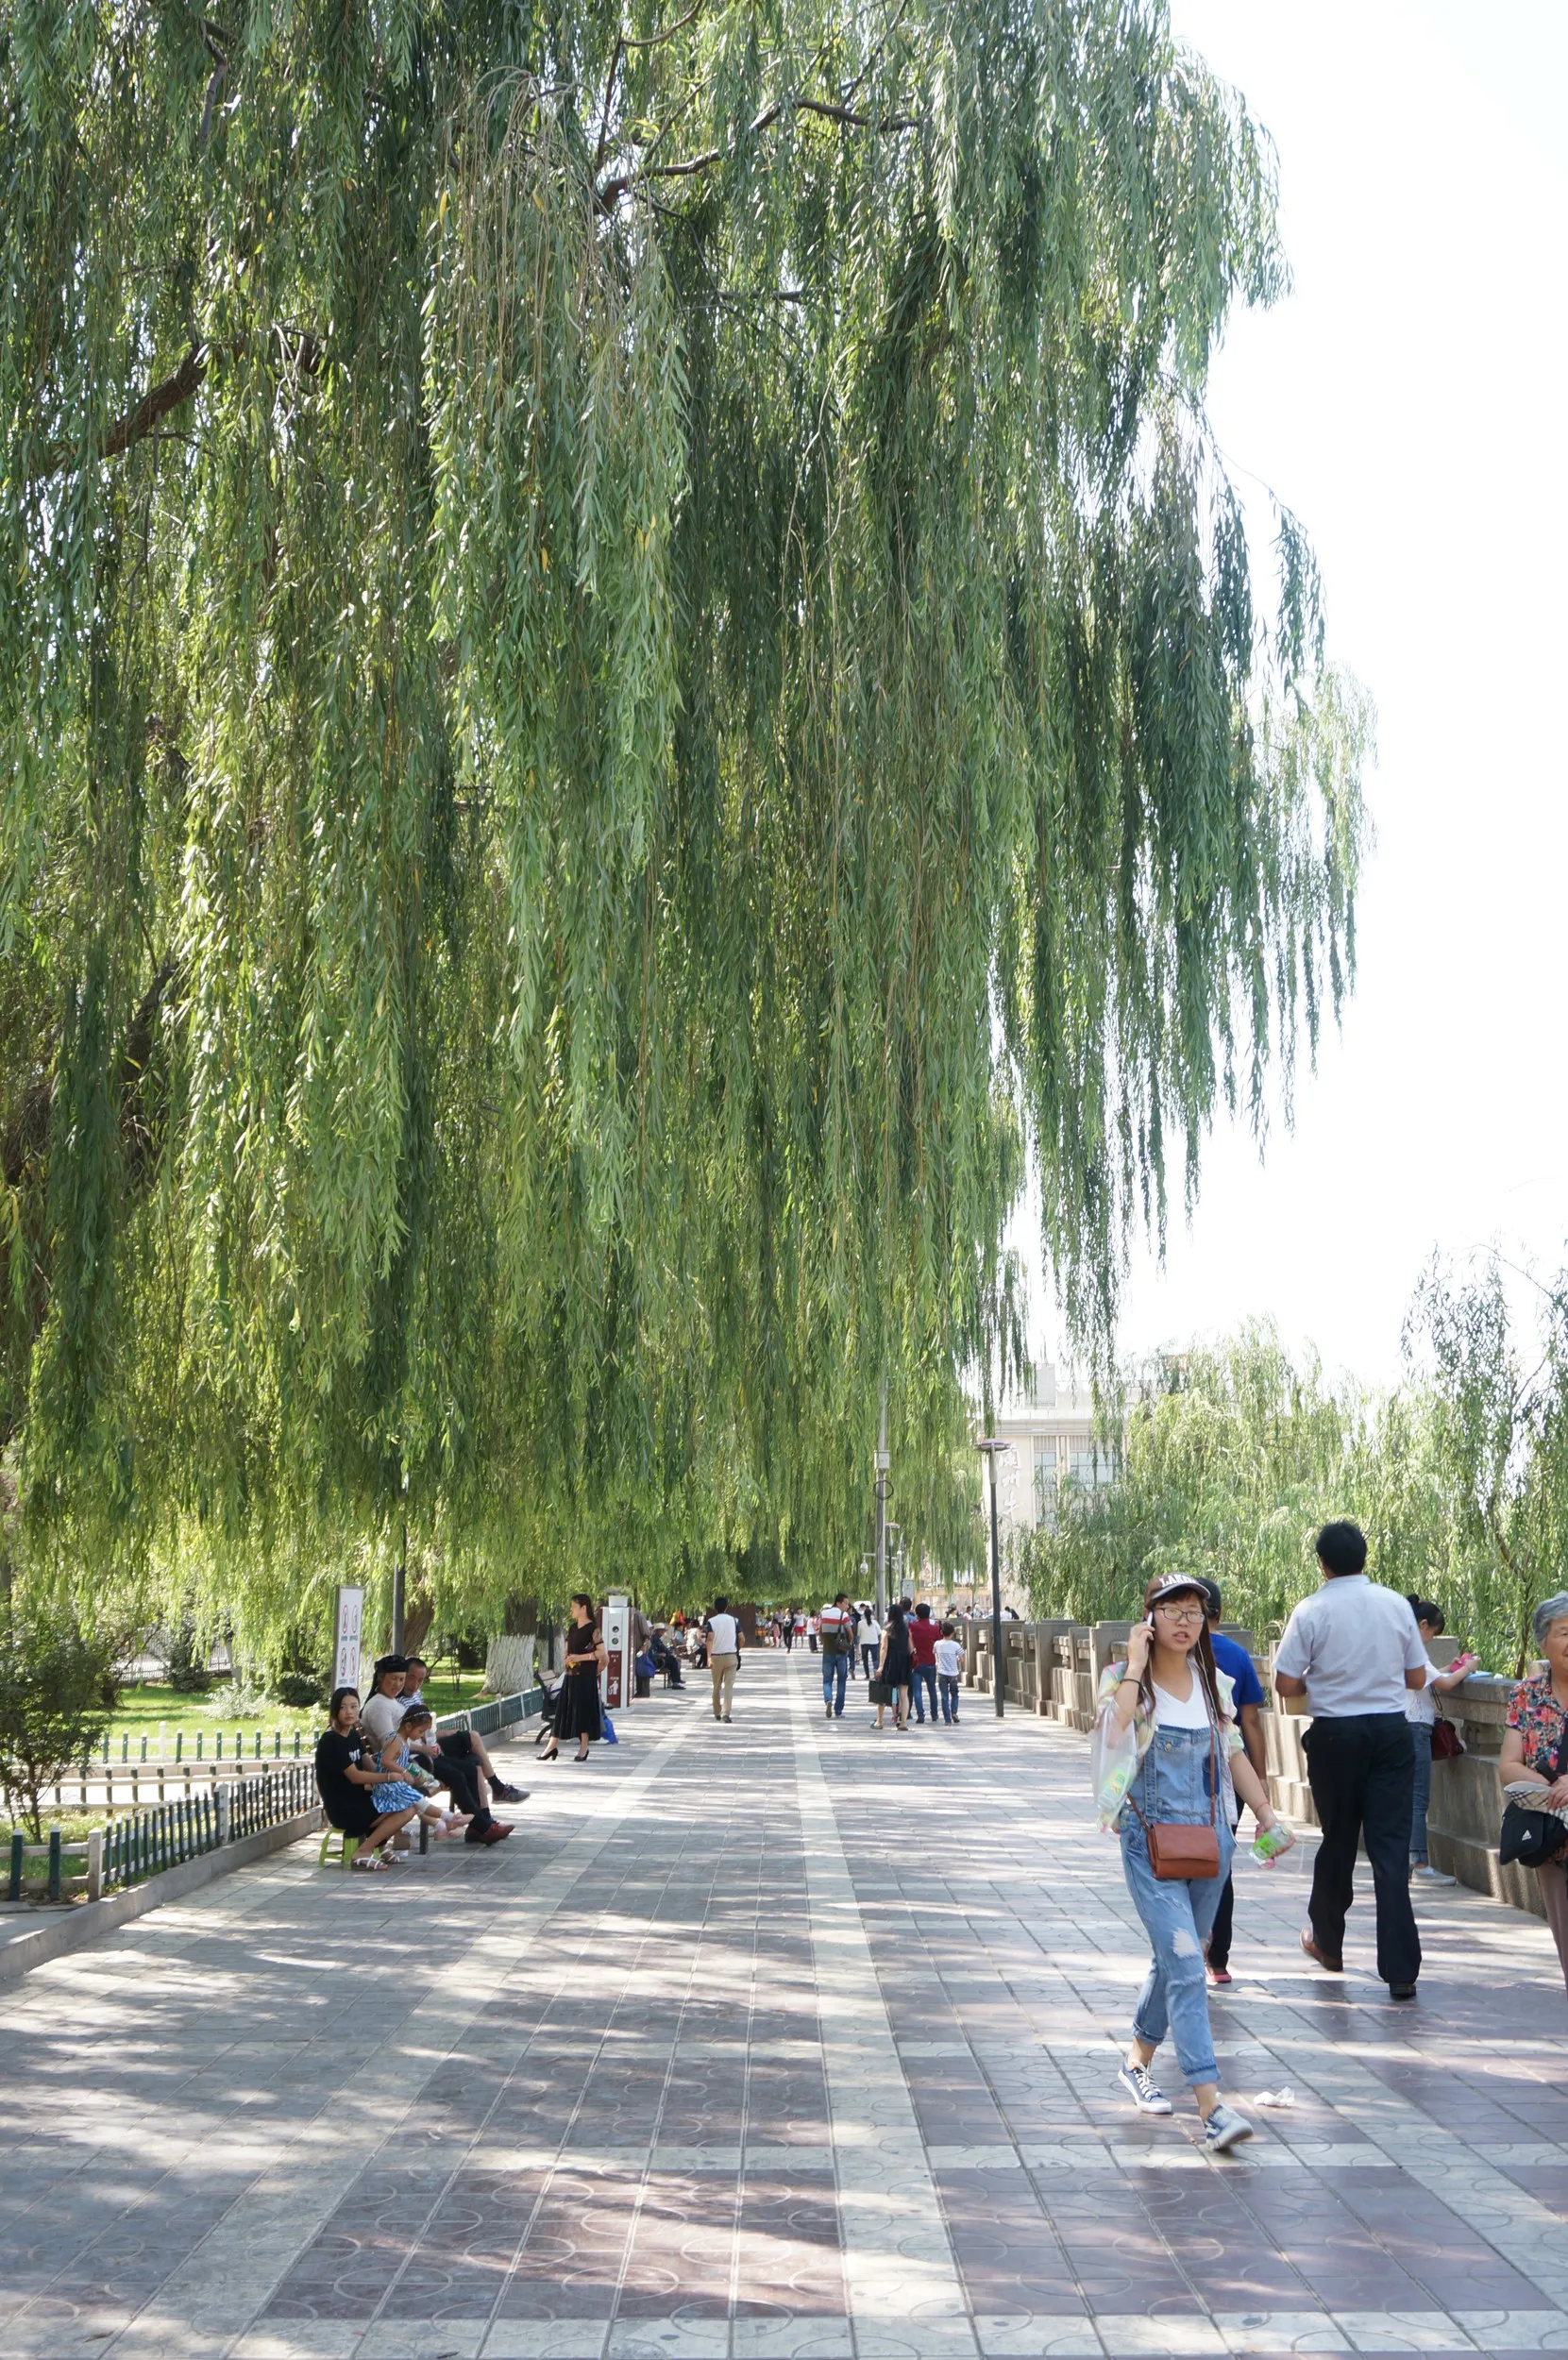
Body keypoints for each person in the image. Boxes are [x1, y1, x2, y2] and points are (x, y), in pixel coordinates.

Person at [1094, 1575, 1294, 2151]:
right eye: (1172, 1610)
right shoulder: (1124, 1680)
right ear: (1150, 1617)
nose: (1185, 1621)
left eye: (1195, 1612)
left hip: (1211, 1842)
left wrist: (1265, 1815)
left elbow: (1233, 1756)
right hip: (1148, 1839)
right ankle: (1212, 2108)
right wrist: (1135, 1660)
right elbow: (1115, 1728)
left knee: (1180, 1953)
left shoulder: (1214, 1684)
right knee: (1186, 1962)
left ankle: (1137, 2060)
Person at [1274, 1520, 1428, 1999]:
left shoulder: (1311, 1609)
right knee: (1389, 1847)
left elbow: (1284, 1684)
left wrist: (1316, 1685)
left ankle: (1328, 1943)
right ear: (1365, 1557)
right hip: (1390, 1733)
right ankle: (1401, 1970)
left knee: (1339, 1839)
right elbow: (1419, 1677)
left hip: (1336, 1737)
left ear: (1322, 1564)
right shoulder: (1395, 1605)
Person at [1196, 1580, 1268, 1987]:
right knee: (1220, 1858)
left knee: (1189, 1860)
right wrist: (1260, 1778)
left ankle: (1195, 1942)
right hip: (1229, 1773)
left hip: (1193, 1771)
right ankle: (1218, 1958)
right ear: (1220, 1614)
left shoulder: (1173, 1653)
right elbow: (1251, 1722)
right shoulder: (1237, 1656)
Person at [1499, 1592, 1568, 1991]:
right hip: (1552, 1838)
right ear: (1544, 1642)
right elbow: (1507, 1765)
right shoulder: (1526, 1695)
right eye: (1563, 1633)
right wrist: (1546, 1785)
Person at [365, 1657, 510, 1844]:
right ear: (380, 1678)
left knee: (469, 1767)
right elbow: (391, 1743)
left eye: (400, 1679)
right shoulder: (378, 1705)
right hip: (407, 1763)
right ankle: (483, 1827)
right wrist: (423, 1749)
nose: (397, 1684)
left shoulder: (391, 1701)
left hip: (414, 1756)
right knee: (456, 1775)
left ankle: (479, 1825)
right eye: (393, 1679)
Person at [1404, 1597, 1477, 1885]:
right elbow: (1445, 1684)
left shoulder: (1402, 1646)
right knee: (1418, 1799)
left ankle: (1409, 1861)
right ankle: (1420, 1863)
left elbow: (1433, 1676)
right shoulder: (1413, 1650)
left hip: (1401, 1728)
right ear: (1423, 1625)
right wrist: (1469, 1667)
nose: (1431, 1639)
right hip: (1415, 1729)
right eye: (1433, 1633)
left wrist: (1451, 1666)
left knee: (1407, 1797)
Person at [314, 1687, 421, 1870]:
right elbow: (356, 1777)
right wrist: (390, 1777)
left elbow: (371, 1767)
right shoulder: (331, 1741)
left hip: (361, 1800)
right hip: (344, 1808)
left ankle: (378, 1846)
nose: (349, 1712)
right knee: (406, 1809)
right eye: (343, 1707)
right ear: (334, 1710)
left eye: (354, 1707)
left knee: (406, 1801)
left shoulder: (353, 1735)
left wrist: (401, 1777)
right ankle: (364, 1851)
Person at [403, 1655, 529, 1803]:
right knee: (472, 1741)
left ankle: (485, 1819)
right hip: (419, 1755)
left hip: (430, 1744)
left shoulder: (416, 1695)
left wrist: (446, 1733)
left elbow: (425, 1730)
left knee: (475, 1760)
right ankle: (498, 1789)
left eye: (420, 1680)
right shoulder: (398, 1702)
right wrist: (426, 1747)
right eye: (411, 1678)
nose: (415, 1684)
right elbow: (405, 1738)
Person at [539, 1595, 607, 1761]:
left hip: (585, 1677)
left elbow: (602, 1654)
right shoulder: (572, 1628)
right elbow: (568, 1648)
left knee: (583, 1710)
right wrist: (567, 1656)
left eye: (574, 1607)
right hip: (571, 1675)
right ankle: (552, 1746)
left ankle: (584, 1748)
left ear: (583, 1608)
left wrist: (579, 1658)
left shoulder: (593, 1629)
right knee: (563, 1709)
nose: (572, 1610)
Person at [874, 1599, 912, 1731]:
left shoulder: (887, 1629)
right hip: (904, 1661)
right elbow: (911, 1648)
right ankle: (903, 1723)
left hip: (890, 1661)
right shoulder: (906, 1629)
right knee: (903, 1693)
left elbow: (884, 1648)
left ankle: (879, 1721)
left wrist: (880, 1666)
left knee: (884, 1691)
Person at [704, 1595, 741, 1722]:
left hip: (716, 1657)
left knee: (716, 1686)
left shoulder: (711, 1621)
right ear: (726, 1607)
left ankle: (716, 1711)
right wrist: (738, 1649)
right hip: (731, 1655)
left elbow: (709, 1638)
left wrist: (708, 1657)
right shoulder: (734, 1620)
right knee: (729, 1686)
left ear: (715, 1608)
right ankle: (726, 1713)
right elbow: (742, 1638)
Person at [818, 1593, 854, 1718]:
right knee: (841, 1681)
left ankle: (828, 1700)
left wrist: (824, 1642)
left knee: (827, 1680)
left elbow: (820, 1631)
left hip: (827, 1652)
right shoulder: (843, 1615)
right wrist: (848, 1645)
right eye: (845, 1603)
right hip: (841, 1653)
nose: (847, 1606)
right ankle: (838, 1710)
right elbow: (850, 1633)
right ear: (838, 1603)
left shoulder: (823, 1614)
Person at [907, 1603, 940, 1725]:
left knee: (917, 1690)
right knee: (932, 1689)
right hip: (930, 1662)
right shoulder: (934, 1628)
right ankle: (934, 1713)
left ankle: (920, 1715)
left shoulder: (912, 1626)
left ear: (917, 1614)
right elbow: (939, 1639)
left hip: (916, 1662)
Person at [935, 1623, 964, 1725]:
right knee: (955, 1694)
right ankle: (954, 1712)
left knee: (944, 1697)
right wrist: (956, 1658)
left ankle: (947, 1719)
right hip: (953, 1674)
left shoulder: (937, 1644)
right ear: (952, 1634)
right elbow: (962, 1659)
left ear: (941, 1632)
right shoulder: (956, 1645)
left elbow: (936, 1655)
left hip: (942, 1673)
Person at [856, 1601, 881, 1680]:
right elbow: (879, 1632)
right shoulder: (874, 1622)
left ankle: (867, 1675)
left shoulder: (860, 1623)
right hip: (874, 1642)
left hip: (864, 1643)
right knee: (875, 1659)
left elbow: (858, 1634)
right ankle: (876, 1673)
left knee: (865, 1660)